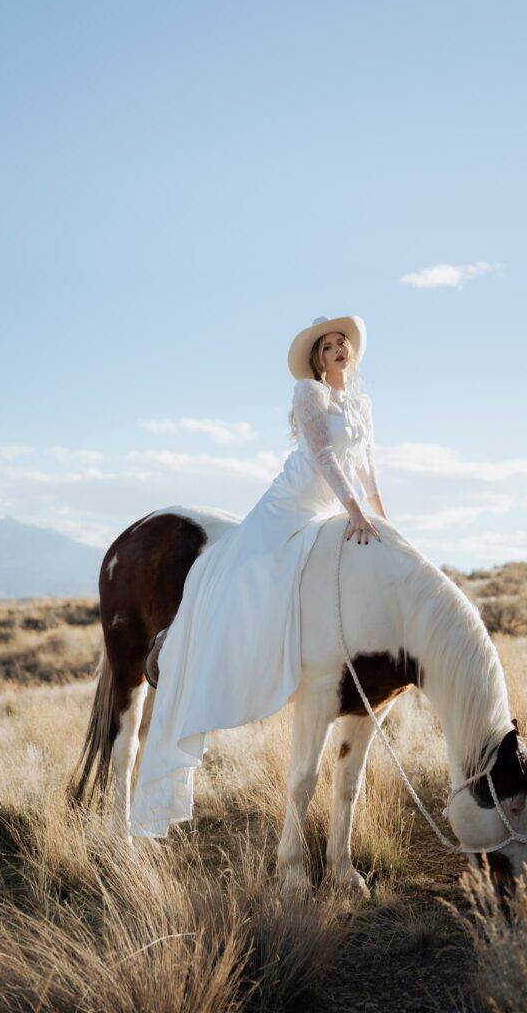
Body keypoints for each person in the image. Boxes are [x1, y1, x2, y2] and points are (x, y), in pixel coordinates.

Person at [128, 315, 388, 837]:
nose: (338, 349)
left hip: (332, 507)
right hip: (294, 501)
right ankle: (180, 642)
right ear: (318, 360)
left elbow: (366, 470)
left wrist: (381, 520)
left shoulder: (362, 405)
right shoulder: (308, 393)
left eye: (342, 343)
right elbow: (323, 456)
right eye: (328, 346)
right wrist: (354, 511)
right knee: (243, 570)